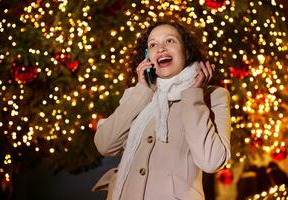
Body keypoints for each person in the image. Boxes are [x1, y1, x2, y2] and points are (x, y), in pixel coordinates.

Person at [92, 20, 231, 200]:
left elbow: (212, 161)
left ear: (187, 51)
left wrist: (194, 95)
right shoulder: (138, 96)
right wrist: (141, 90)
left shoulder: (213, 96)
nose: (161, 48)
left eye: (170, 41)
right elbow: (105, 145)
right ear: (147, 57)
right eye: (153, 44)